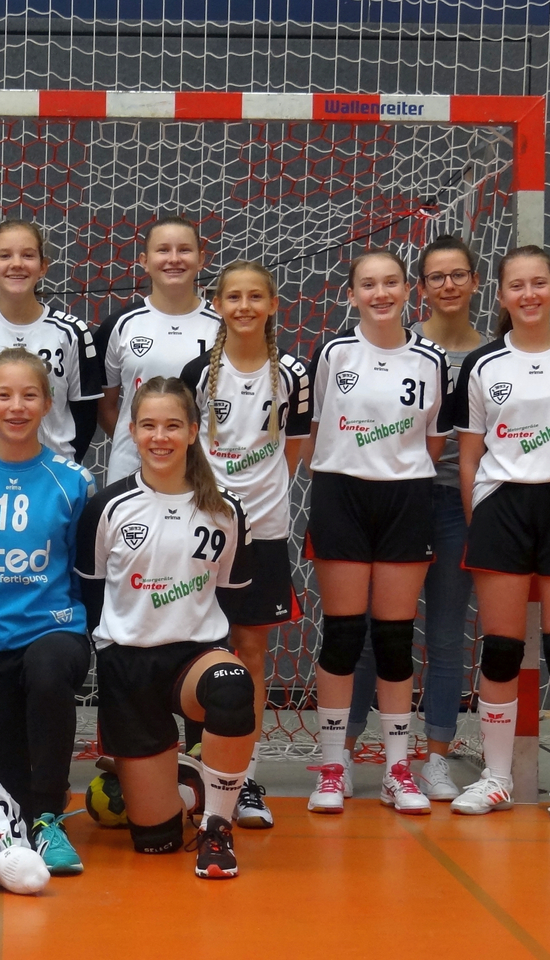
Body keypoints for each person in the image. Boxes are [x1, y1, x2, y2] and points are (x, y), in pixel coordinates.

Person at [450, 246, 550, 821]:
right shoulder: (482, 364)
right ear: (501, 294)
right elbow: (468, 455)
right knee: (501, 650)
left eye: (538, 283)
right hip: (501, 506)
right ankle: (496, 778)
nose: (529, 294)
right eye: (517, 285)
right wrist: (482, 512)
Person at [76, 377, 257, 879]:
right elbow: (91, 595)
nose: (160, 437)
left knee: (232, 685)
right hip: (127, 666)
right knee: (155, 842)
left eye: (173, 425)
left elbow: (230, 596)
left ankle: (217, 826)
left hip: (195, 658)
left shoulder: (225, 510)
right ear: (132, 431)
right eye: (149, 425)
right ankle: (181, 781)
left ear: (194, 431)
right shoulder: (107, 507)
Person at [301, 248, 451, 816]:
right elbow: (313, 431)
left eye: (391, 282)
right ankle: (332, 766)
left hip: (406, 498)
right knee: (342, 635)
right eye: (368, 284)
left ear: (409, 290)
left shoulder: (432, 359)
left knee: (393, 638)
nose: (380, 293)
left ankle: (397, 770)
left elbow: (432, 441)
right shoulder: (333, 353)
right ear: (352, 294)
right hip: (341, 495)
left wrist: (393, 469)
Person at [0, 347, 95, 875]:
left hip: (54, 632)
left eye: (30, 395)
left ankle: (50, 818)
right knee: (8, 792)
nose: (17, 406)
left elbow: (84, 570)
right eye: (3, 395)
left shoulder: (73, 481)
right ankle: (23, 813)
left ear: (49, 403)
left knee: (47, 669)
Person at [343, 236, 485, 800]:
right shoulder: (397, 345)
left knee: (446, 637)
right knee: (369, 635)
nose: (448, 285)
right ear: (418, 288)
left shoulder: (493, 354)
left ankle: (436, 760)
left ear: (475, 281)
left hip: (455, 504)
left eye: (458, 274)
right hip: (397, 501)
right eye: (437, 276)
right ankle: (343, 753)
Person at [180, 261, 311, 829]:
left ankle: (242, 778)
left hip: (266, 530)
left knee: (250, 653)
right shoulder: (196, 372)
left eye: (256, 296)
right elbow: (186, 449)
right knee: (200, 649)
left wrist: (259, 502)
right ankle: (196, 770)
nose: (244, 307)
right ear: (217, 304)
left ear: (273, 304)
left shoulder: (293, 374)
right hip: (206, 530)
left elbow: (294, 448)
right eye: (233, 297)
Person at [0, 218, 101, 464]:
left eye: (28, 255)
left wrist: (55, 466)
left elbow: (85, 418)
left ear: (43, 267)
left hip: (51, 470)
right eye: (5, 256)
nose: (16, 264)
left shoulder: (72, 332)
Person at [97, 215, 222, 484]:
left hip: (205, 469)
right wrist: (149, 443)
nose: (174, 259)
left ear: (201, 259)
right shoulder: (120, 325)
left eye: (184, 250)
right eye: (163, 250)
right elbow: (105, 407)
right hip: (131, 468)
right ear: (144, 260)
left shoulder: (223, 327)